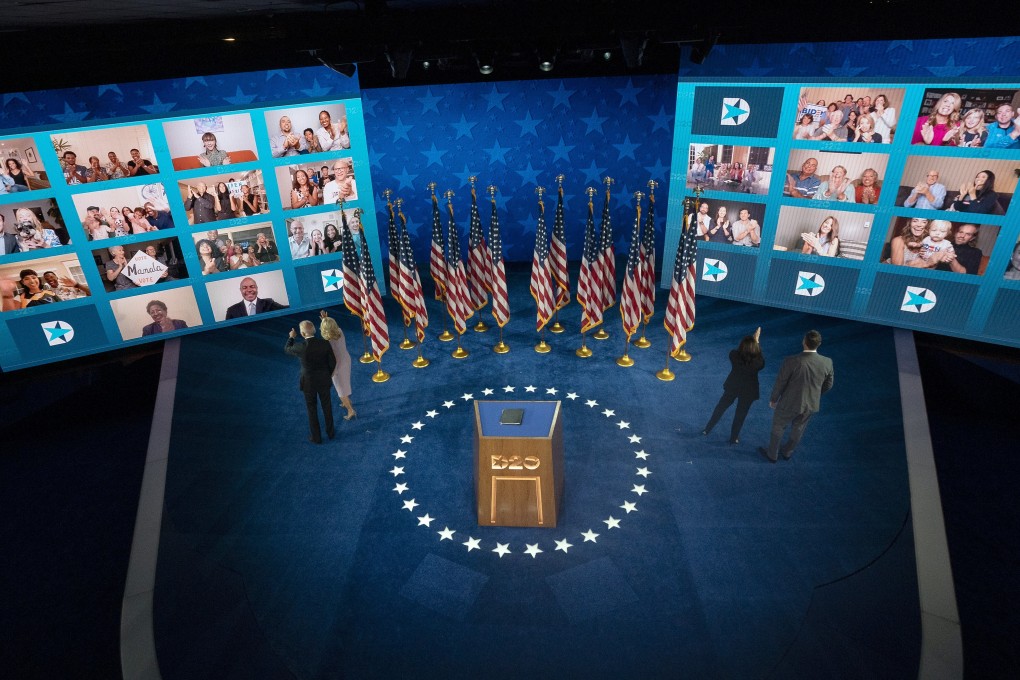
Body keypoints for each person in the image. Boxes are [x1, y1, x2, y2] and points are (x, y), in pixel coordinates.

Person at [759, 330, 834, 463]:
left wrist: (773, 399)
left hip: (789, 403)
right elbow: (828, 384)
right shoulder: (827, 362)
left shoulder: (791, 361)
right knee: (798, 429)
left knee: (779, 426)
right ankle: (787, 452)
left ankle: (772, 455)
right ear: (819, 344)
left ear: (804, 342)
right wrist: (816, 394)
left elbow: (781, 382)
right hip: (810, 404)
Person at [702, 327, 765, 444]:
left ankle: (707, 429)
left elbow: (737, 352)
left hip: (733, 386)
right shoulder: (758, 363)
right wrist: (756, 341)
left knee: (720, 408)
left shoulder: (734, 355)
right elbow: (759, 358)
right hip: (748, 391)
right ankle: (733, 438)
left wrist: (752, 343)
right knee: (740, 415)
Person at [285, 320, 336, 444]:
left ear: (302, 333)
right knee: (327, 406)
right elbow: (333, 362)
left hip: (308, 383)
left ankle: (316, 438)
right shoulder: (325, 344)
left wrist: (291, 338)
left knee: (311, 409)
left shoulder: (300, 347)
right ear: (314, 330)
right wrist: (327, 374)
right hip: (324, 380)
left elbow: (287, 349)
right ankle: (330, 433)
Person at [320, 310, 356, 420]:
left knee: (340, 390)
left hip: (337, 366)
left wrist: (324, 321)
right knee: (344, 384)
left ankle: (350, 410)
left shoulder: (327, 341)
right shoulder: (339, 331)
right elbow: (332, 327)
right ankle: (347, 401)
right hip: (346, 360)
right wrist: (326, 319)